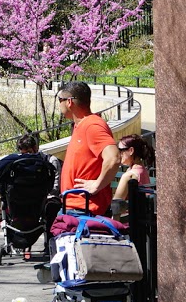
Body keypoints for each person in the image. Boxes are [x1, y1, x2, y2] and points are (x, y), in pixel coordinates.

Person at [57, 81, 120, 220]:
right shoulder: (80, 125)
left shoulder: (92, 126)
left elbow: (114, 158)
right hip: (75, 208)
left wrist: (96, 185)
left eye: (59, 99)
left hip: (84, 211)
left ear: (69, 102)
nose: (58, 104)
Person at [110, 133, 153, 222]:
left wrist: (112, 228)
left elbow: (116, 207)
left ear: (131, 151)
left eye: (121, 150)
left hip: (129, 223)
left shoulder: (129, 176)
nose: (119, 154)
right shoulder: (142, 170)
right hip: (142, 221)